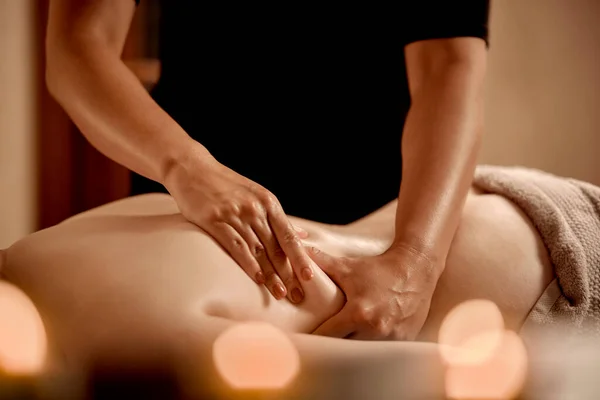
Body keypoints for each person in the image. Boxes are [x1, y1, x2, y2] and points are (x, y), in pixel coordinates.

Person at [45, 0, 490, 340]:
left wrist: (416, 260)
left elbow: (448, 62)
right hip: (188, 195)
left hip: (373, 222)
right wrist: (185, 166)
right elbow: (78, 43)